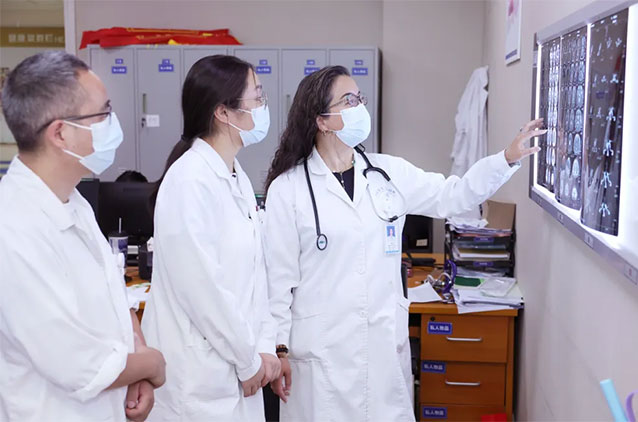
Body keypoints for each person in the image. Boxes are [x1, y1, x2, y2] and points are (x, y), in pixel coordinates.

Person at [263, 65, 545, 421]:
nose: (359, 107)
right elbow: (278, 283)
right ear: (322, 120)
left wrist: (505, 159)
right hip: (321, 358)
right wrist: (278, 349)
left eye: (360, 98)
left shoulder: (387, 173)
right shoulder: (289, 189)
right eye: (349, 101)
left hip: (381, 348)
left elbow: (453, 196)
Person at [0, 51, 165, 421]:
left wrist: (137, 357)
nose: (113, 123)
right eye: (103, 113)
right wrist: (152, 365)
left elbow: (113, 294)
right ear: (60, 133)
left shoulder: (73, 200)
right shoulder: (12, 227)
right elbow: (76, 365)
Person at [141, 55, 280, 421]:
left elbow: (256, 276)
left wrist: (264, 347)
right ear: (223, 112)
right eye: (257, 97)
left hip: (239, 368)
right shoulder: (189, 180)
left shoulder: (237, 177)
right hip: (199, 379)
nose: (263, 105)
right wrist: (249, 360)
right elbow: (202, 289)